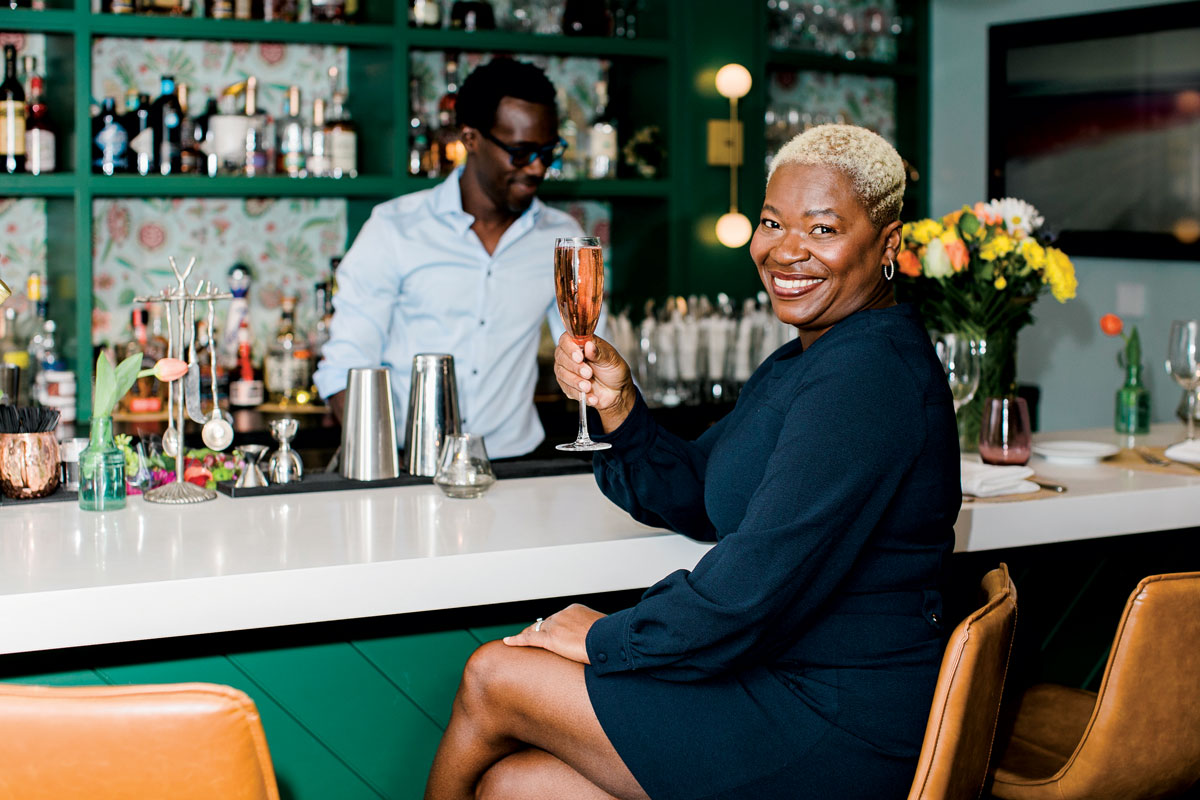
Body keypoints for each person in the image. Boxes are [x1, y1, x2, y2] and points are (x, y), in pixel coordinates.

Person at [422, 125, 961, 800]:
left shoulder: (867, 374)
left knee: (493, 674)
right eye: (771, 222)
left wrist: (606, 638)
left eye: (822, 229)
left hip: (834, 721)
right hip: (777, 678)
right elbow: (701, 490)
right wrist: (618, 404)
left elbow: (749, 590)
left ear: (887, 246)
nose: (784, 250)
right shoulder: (811, 356)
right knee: (515, 788)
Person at [313, 59, 585, 459]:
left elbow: (593, 352)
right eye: (521, 152)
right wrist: (383, 464)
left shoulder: (563, 239)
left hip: (516, 463)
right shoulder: (394, 229)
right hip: (412, 462)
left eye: (548, 151)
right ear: (470, 138)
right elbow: (345, 367)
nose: (538, 167)